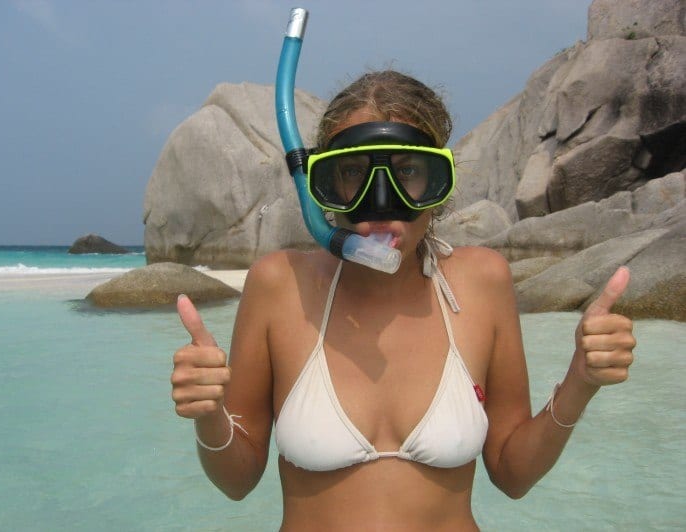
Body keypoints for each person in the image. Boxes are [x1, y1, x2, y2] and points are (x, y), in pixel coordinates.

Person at [171, 70, 636, 530]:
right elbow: (236, 482)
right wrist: (209, 418)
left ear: (438, 184)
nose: (381, 201)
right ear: (326, 183)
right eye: (354, 171)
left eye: (407, 171)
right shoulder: (280, 285)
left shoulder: (481, 282)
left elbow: (514, 476)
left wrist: (580, 381)